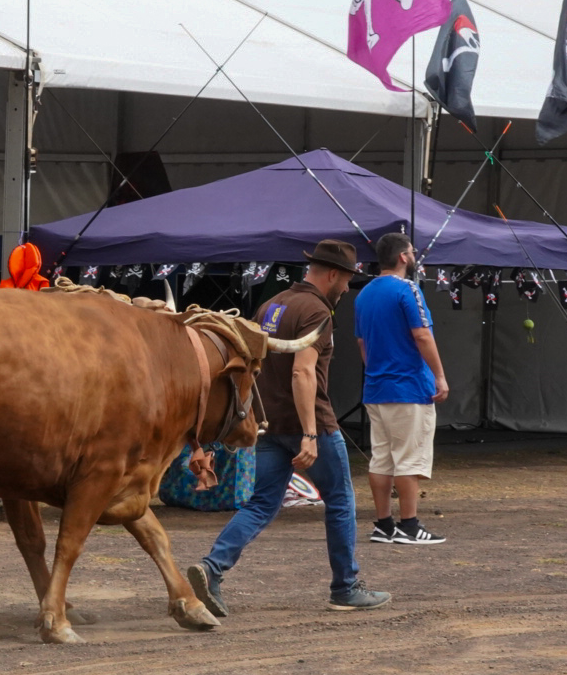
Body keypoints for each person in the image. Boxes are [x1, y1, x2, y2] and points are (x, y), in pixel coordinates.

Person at [188, 239, 391, 615]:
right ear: (332, 274)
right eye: (346, 279)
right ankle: (345, 588)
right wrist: (311, 433)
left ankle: (211, 567)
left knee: (261, 502)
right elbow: (302, 371)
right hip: (307, 423)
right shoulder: (317, 311)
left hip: (269, 422)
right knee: (341, 501)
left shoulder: (272, 304)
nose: (347, 288)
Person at [354, 232, 449, 545]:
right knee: (408, 459)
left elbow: (362, 343)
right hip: (408, 386)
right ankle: (409, 525)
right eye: (412, 251)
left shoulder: (364, 293)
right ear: (403, 257)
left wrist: (376, 372)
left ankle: (384, 524)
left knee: (381, 458)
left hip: (376, 387)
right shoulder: (408, 289)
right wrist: (439, 375)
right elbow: (422, 335)